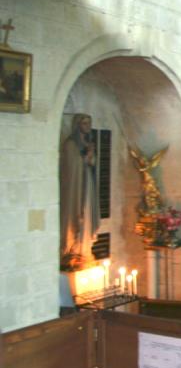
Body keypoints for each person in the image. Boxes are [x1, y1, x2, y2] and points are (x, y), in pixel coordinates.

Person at [59, 113, 100, 271]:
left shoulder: (88, 142)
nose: (87, 126)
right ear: (77, 125)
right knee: (75, 215)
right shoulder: (70, 144)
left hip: (87, 183)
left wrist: (90, 156)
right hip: (76, 186)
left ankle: (85, 250)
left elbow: (92, 163)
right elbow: (71, 165)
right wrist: (85, 157)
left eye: (89, 123)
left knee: (88, 214)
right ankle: (73, 250)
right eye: (84, 123)